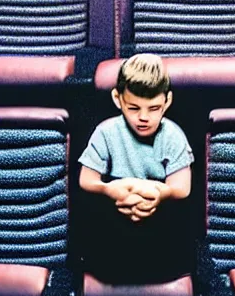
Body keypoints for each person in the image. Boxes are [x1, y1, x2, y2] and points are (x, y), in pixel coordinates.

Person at [77, 53, 194, 284]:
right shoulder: (106, 132)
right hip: (114, 221)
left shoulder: (172, 134)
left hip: (160, 224)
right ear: (117, 98)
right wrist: (112, 189)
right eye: (133, 108)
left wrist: (157, 193)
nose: (143, 117)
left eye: (154, 108)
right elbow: (86, 179)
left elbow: (182, 187)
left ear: (167, 102)